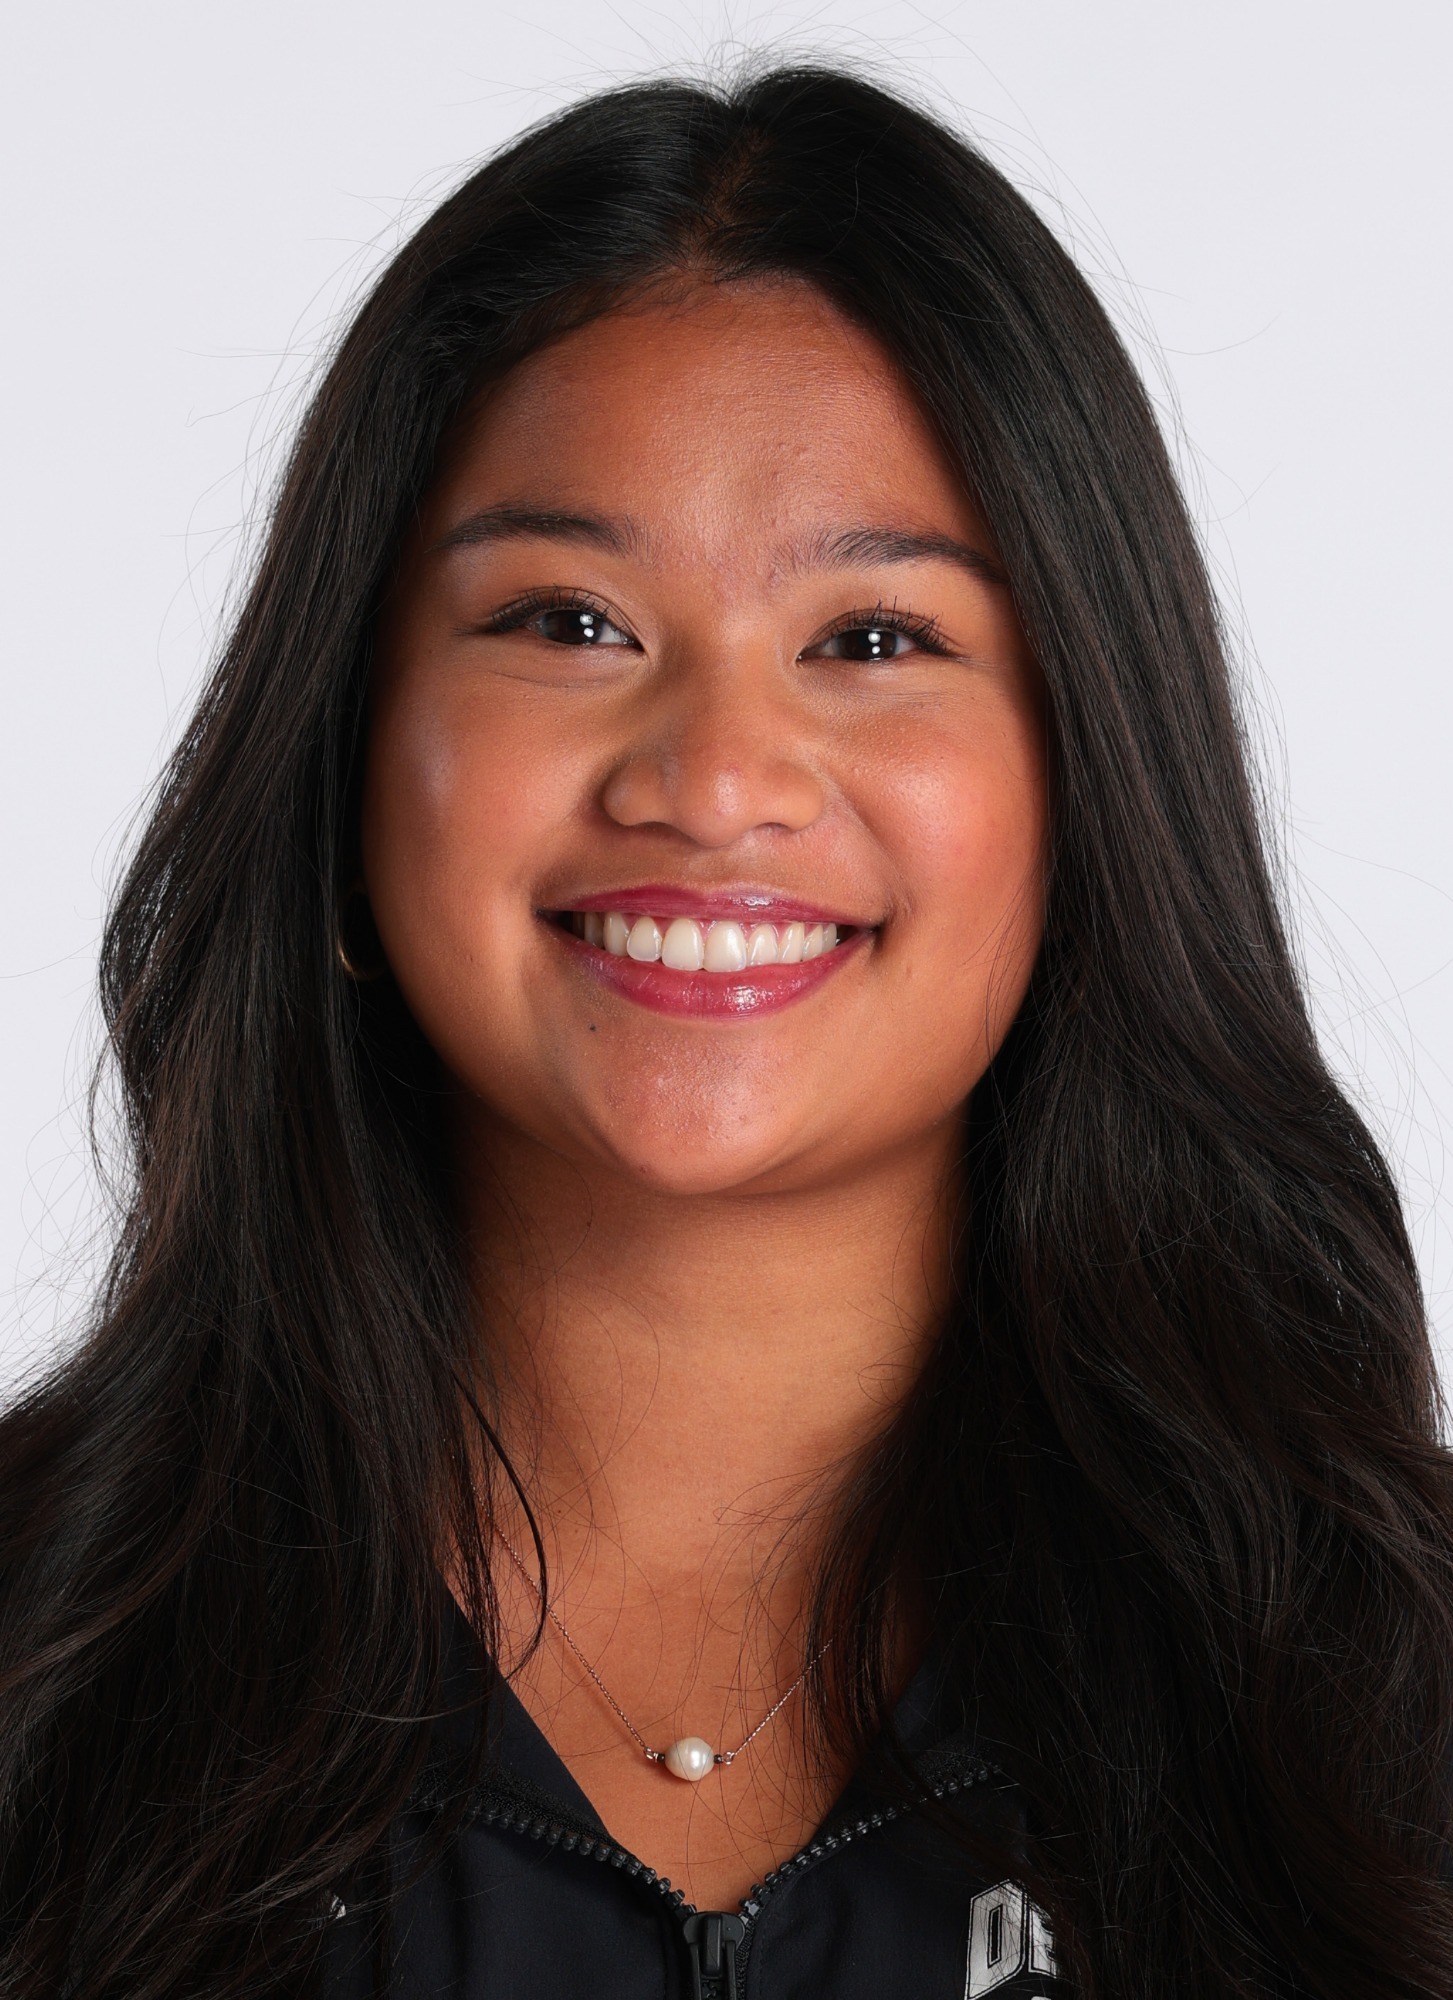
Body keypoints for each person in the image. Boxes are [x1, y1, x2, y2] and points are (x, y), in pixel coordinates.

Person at [1, 63, 1449, 2000]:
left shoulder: (1387, 1702)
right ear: (346, 760)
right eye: (567, 619)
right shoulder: (36, 1664)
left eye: (872, 640)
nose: (712, 777)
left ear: (1094, 785)